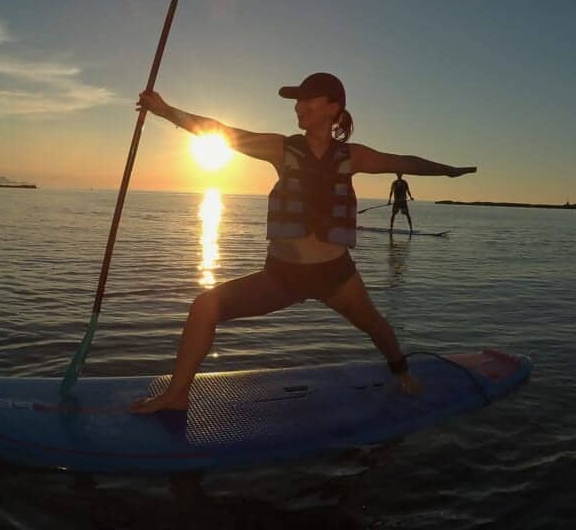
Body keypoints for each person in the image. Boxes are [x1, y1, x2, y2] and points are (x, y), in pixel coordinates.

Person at [131, 73, 476, 413]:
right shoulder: (282, 149)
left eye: (307, 100)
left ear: (333, 107)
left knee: (376, 327)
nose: (298, 107)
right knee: (204, 307)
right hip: (282, 277)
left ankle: (402, 374)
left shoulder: (352, 156)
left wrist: (447, 171)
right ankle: (177, 395)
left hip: (335, 275)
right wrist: (165, 110)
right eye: (297, 101)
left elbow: (402, 162)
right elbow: (222, 132)